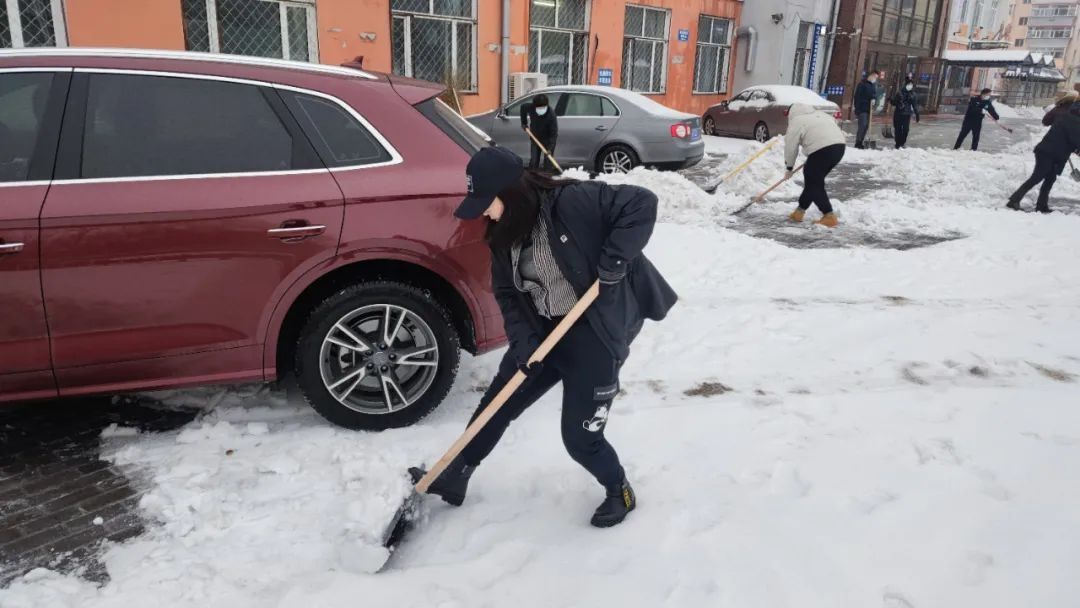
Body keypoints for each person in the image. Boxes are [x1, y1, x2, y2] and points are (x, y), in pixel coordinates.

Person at [410, 146, 677, 528]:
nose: (484, 210)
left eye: (488, 201)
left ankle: (619, 489)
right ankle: (455, 474)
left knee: (580, 437)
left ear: (511, 193)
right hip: (544, 330)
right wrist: (524, 344)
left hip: (593, 334)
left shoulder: (572, 202)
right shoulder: (502, 235)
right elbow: (508, 295)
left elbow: (642, 203)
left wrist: (615, 260)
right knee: (496, 406)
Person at [1006, 101, 1080, 213]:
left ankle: (1041, 205)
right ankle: (1014, 200)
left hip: (1053, 153)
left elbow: (1069, 140)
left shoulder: (1067, 117)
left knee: (1050, 179)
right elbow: (1076, 140)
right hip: (1048, 153)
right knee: (1037, 177)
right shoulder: (1074, 122)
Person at [784, 104, 847, 228]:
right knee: (814, 181)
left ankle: (829, 215)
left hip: (822, 149)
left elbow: (791, 147)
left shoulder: (797, 121)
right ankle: (799, 211)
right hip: (839, 147)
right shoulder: (822, 115)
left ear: (792, 113)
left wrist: (789, 167)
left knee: (813, 181)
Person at [520, 94, 559, 171]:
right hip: (535, 137)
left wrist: (550, 149)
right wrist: (524, 123)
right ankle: (532, 178)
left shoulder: (551, 115)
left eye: (543, 107)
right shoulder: (531, 107)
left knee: (548, 161)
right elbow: (522, 107)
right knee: (534, 161)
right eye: (538, 107)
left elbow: (553, 134)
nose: (540, 109)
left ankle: (547, 178)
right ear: (534, 106)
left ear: (546, 106)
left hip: (548, 140)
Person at [890, 78, 920, 149]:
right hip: (898, 113)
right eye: (909, 84)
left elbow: (915, 105)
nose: (910, 86)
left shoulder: (913, 94)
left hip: (907, 114)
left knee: (906, 130)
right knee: (898, 129)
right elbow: (894, 103)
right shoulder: (899, 92)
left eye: (911, 84)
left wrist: (917, 114)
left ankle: (902, 142)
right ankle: (898, 143)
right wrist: (891, 100)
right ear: (905, 85)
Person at [853, 70, 880, 149]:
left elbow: (874, 94)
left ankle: (861, 141)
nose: (875, 79)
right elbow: (857, 97)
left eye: (876, 78)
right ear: (870, 75)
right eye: (874, 77)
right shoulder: (862, 84)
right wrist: (857, 109)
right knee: (863, 125)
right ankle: (858, 142)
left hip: (869, 109)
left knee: (866, 126)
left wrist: (874, 99)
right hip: (862, 108)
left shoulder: (872, 85)